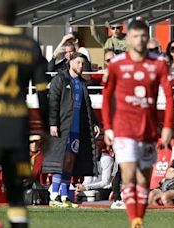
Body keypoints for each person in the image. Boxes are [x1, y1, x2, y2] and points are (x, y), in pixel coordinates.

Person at [102, 18, 174, 228]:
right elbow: (106, 98)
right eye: (135, 36)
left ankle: (138, 218)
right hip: (123, 129)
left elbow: (169, 96)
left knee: (143, 180)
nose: (140, 40)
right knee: (128, 175)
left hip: (149, 130)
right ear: (128, 38)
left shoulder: (158, 63)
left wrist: (168, 126)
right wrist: (107, 127)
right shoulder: (117, 64)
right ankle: (135, 221)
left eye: (143, 36)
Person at [0, 1, 50, 227]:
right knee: (17, 195)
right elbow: (42, 93)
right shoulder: (29, 45)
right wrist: (46, 128)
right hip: (17, 126)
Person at [43, 52, 100, 208]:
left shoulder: (82, 84)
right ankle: (53, 195)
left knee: (70, 161)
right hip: (63, 127)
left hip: (76, 129)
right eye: (78, 63)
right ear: (70, 62)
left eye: (82, 63)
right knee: (60, 160)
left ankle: (64, 196)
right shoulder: (60, 79)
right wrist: (53, 123)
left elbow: (87, 105)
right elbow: (52, 102)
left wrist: (95, 123)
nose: (80, 66)